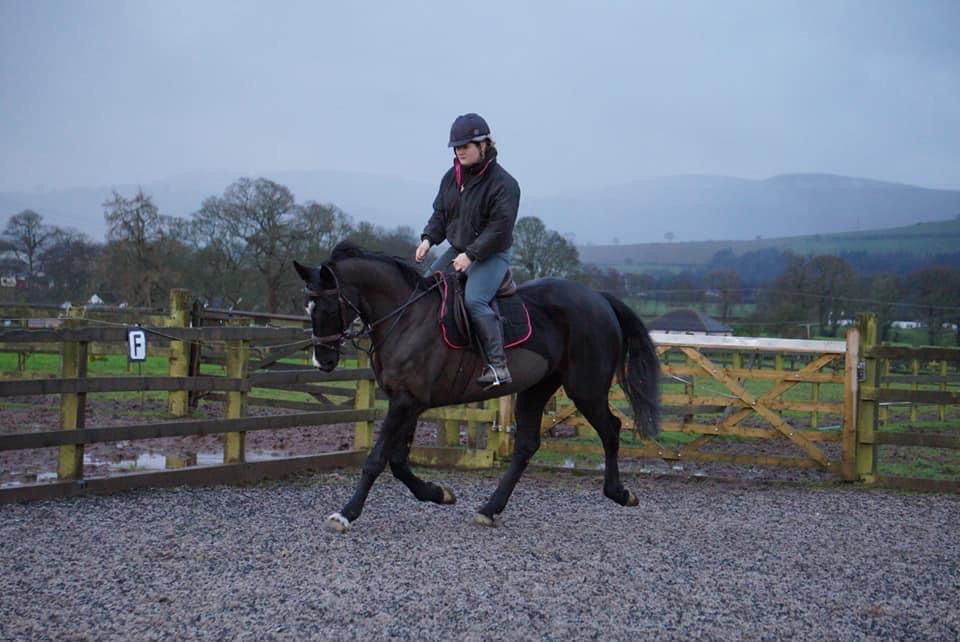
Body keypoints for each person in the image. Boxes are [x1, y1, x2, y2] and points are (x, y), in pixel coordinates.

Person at [415, 113, 521, 388]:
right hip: (457, 249)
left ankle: (498, 366)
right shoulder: (451, 178)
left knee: (475, 300)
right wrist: (428, 239)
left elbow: (499, 227)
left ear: (484, 144)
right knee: (426, 289)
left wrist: (471, 255)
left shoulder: (504, 184)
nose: (460, 151)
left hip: (491, 254)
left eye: (466, 145)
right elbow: (440, 214)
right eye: (456, 147)